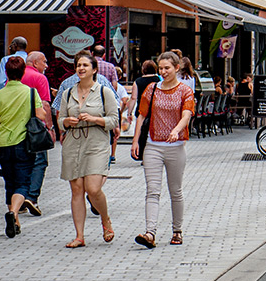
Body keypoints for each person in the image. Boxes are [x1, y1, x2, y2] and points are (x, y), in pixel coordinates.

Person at [131, 51, 195, 249]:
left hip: (175, 147)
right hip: (153, 145)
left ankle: (177, 230)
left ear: (177, 68)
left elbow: (186, 115)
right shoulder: (152, 89)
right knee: (152, 191)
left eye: (167, 68)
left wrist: (177, 130)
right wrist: (135, 141)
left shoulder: (185, 91)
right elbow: (141, 116)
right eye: (160, 68)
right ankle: (150, 233)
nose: (163, 71)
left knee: (175, 191)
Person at [59, 51, 119, 248]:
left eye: (85, 65)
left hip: (96, 142)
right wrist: (66, 121)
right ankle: (79, 236)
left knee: (93, 189)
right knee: (76, 190)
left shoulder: (104, 91)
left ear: (94, 69)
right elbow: (60, 120)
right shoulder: (68, 92)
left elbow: (114, 120)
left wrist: (94, 119)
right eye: (78, 65)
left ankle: (105, 219)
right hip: (73, 142)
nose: (81, 68)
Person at [0, 55, 46, 238]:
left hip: (3, 144)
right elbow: (41, 115)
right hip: (23, 143)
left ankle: (15, 222)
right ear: (22, 72)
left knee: (9, 182)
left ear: (6, 72)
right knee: (23, 183)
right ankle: (13, 213)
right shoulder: (30, 93)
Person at [20, 51, 53, 217]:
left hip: (16, 126)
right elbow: (45, 105)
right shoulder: (40, 78)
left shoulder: (16, 75)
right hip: (36, 127)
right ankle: (32, 197)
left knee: (22, 161)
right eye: (44, 62)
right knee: (40, 161)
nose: (46, 66)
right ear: (35, 63)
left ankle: (18, 197)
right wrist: (50, 127)